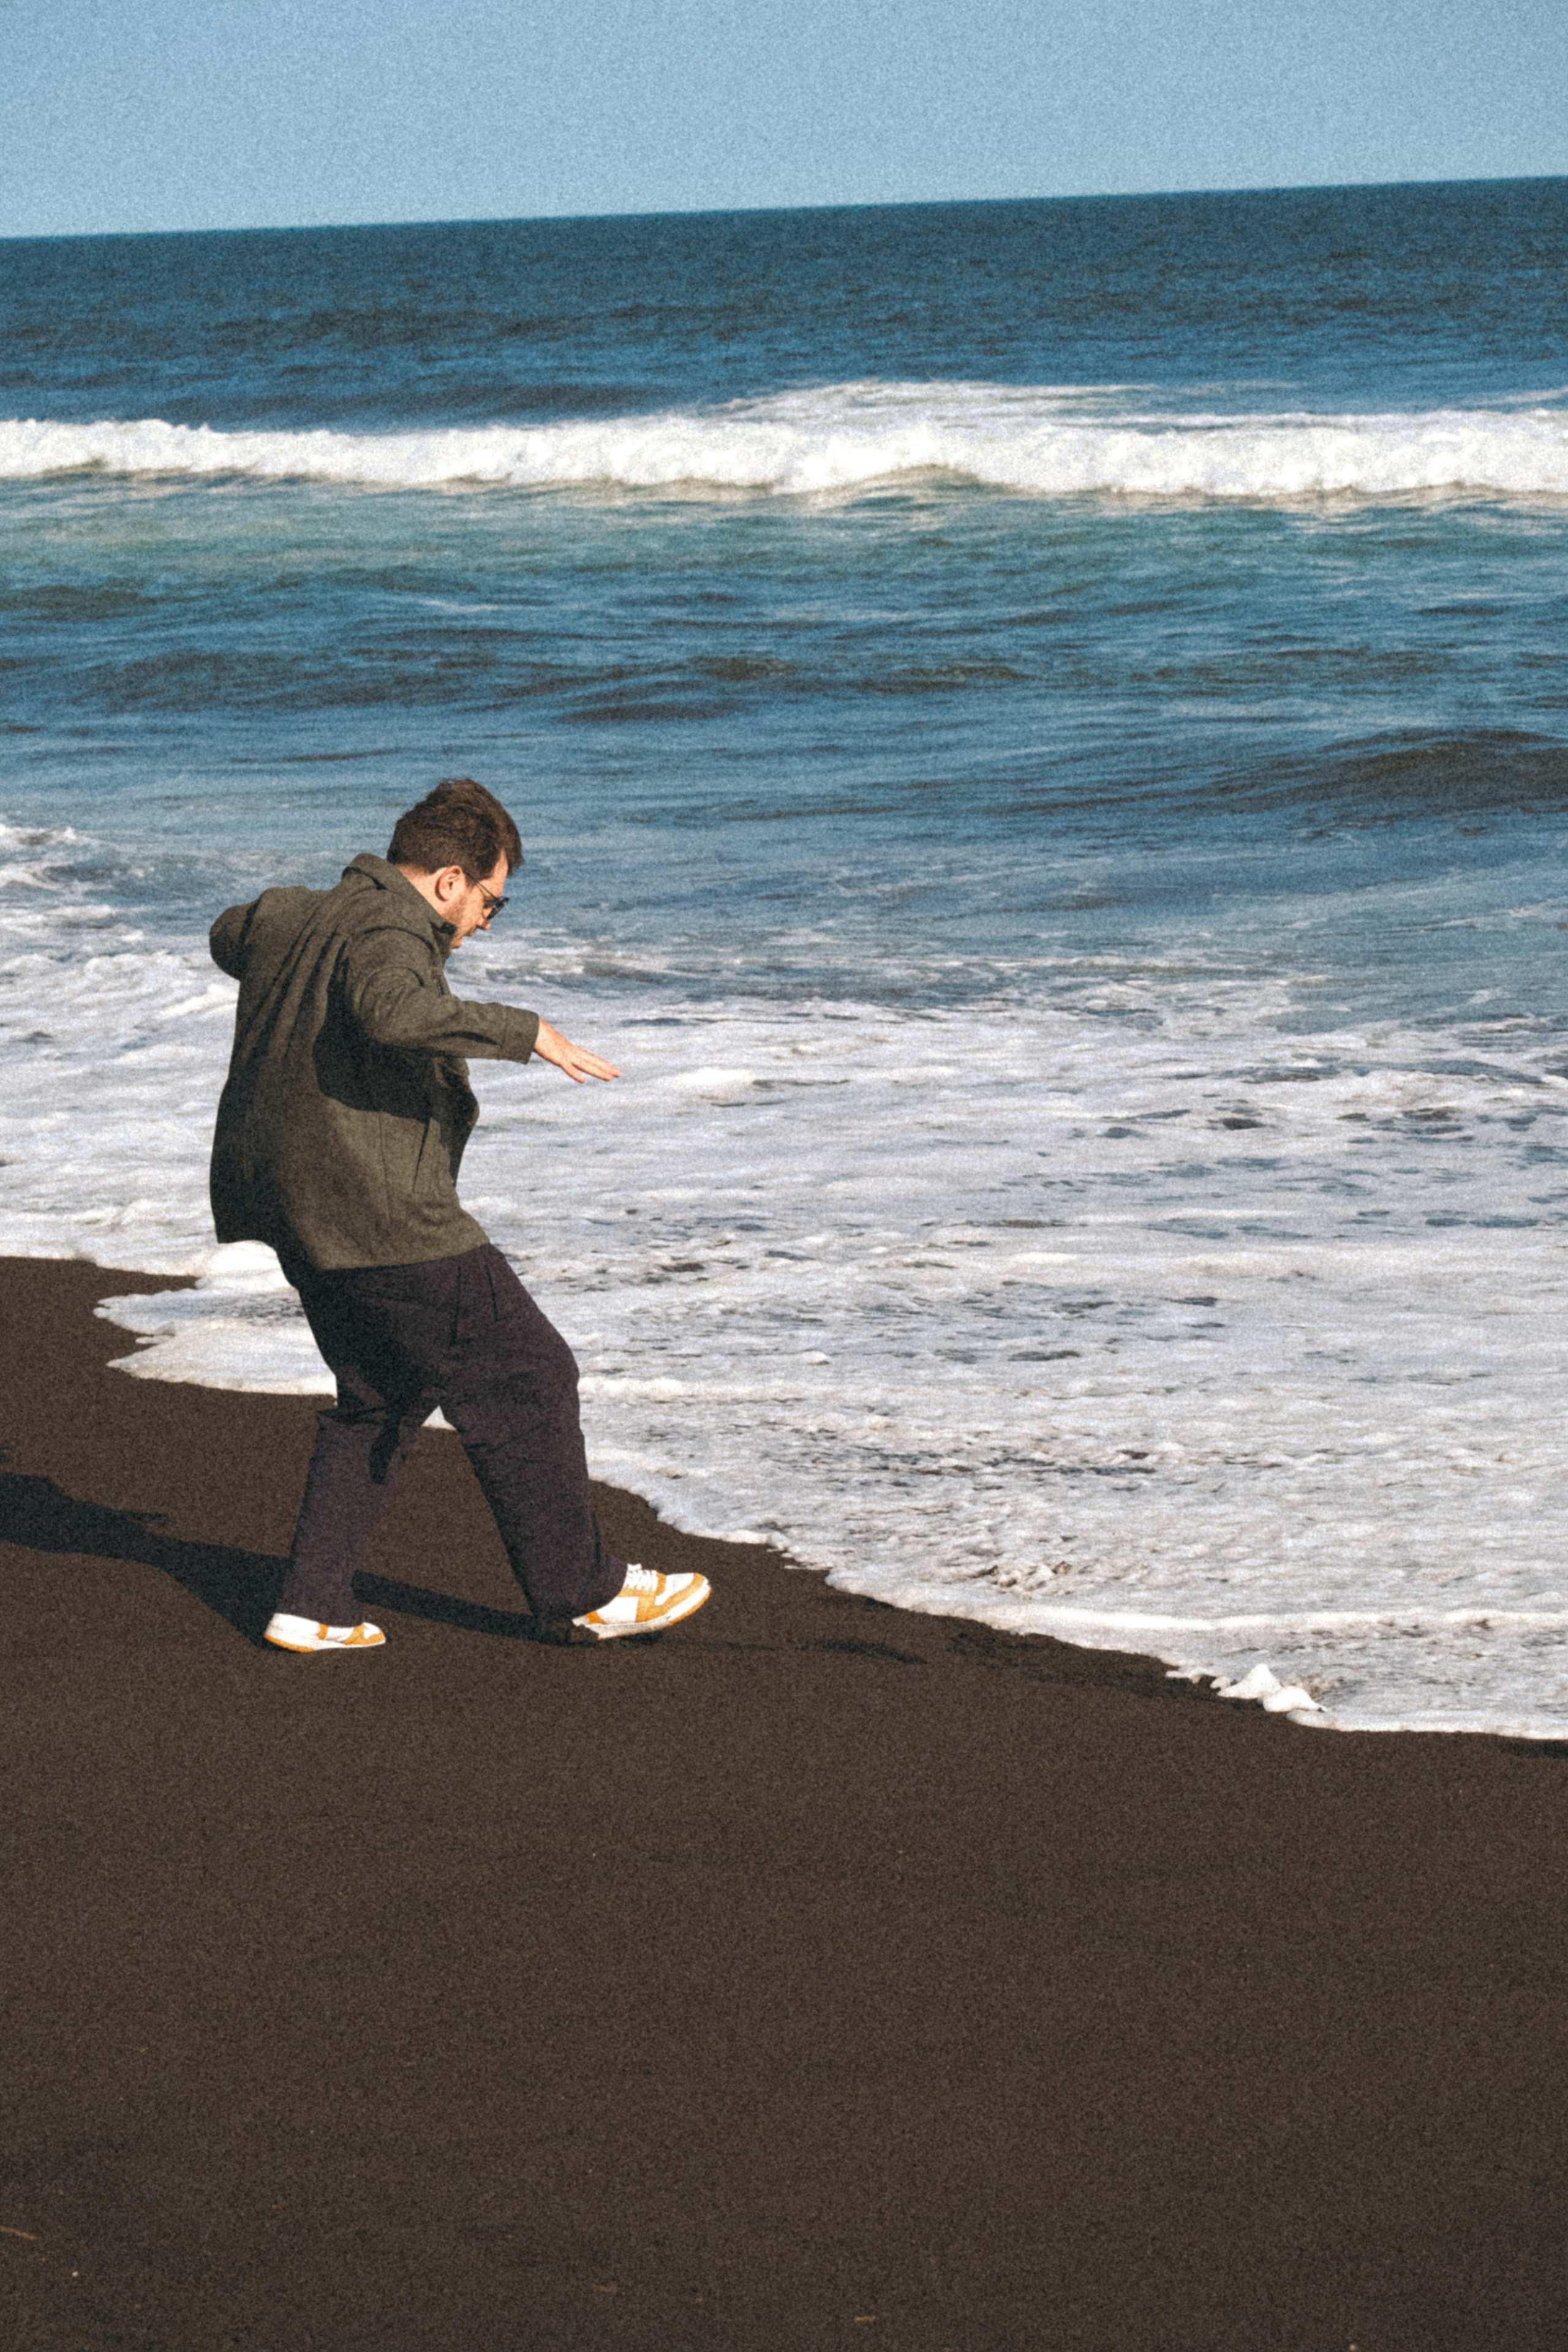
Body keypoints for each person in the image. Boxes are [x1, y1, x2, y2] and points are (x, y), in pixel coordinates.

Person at [207, 775, 710, 1653]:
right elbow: (393, 1011)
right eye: (489, 903)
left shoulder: (295, 912)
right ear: (448, 881)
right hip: (379, 1215)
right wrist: (527, 1031)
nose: (483, 923)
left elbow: (229, 933)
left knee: (380, 1396)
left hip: (289, 1207)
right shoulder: (390, 927)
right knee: (530, 1375)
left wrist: (301, 949)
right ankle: (583, 1593)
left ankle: (312, 1602)